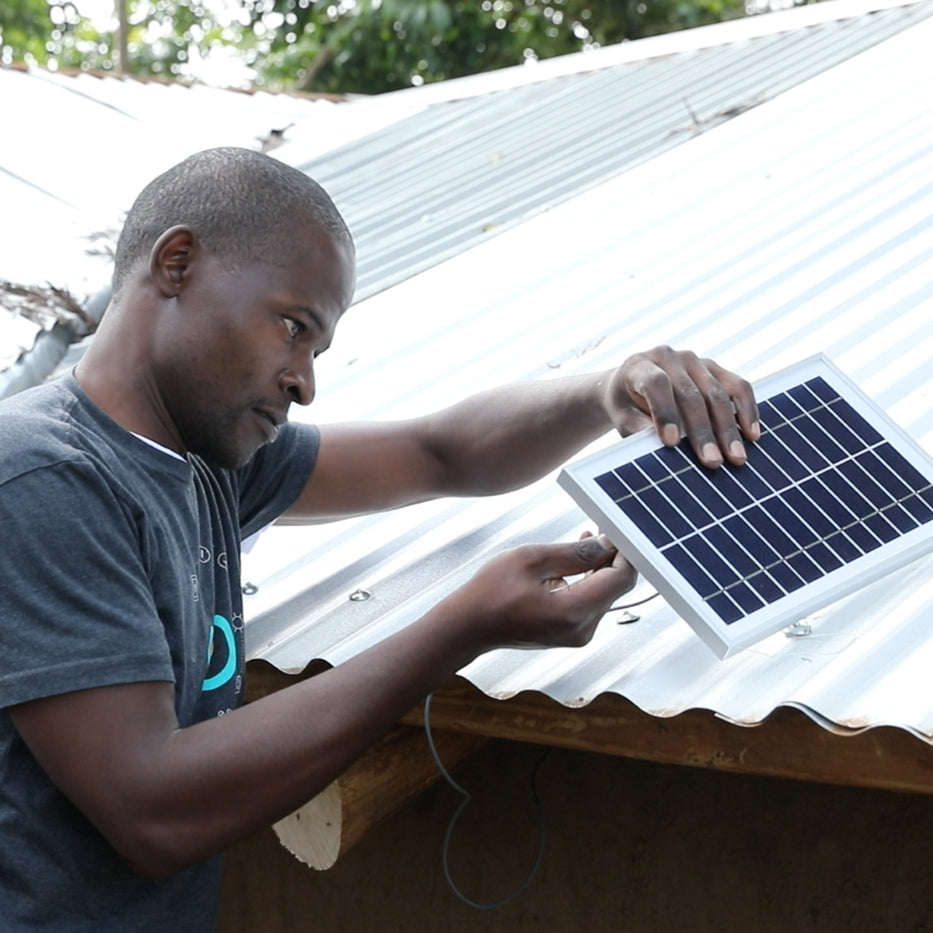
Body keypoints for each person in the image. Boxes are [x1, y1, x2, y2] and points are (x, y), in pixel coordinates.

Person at [0, 147, 759, 930]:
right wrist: (461, 628)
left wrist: (606, 389)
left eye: (316, 349)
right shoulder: (43, 479)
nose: (304, 379)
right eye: (292, 326)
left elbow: (441, 452)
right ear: (177, 262)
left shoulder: (205, 459)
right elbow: (151, 810)